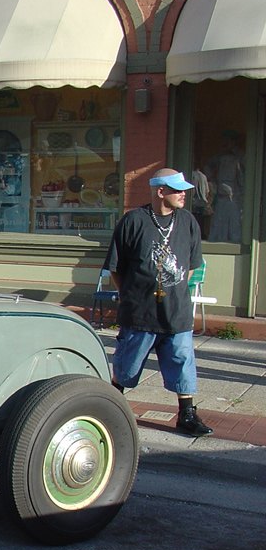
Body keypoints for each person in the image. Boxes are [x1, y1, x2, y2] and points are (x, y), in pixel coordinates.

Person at [103, 168, 212, 437]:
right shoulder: (133, 222)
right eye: (177, 189)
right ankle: (110, 409)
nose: (184, 193)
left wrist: (173, 291)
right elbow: (116, 268)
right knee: (126, 365)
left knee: (182, 361)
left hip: (176, 312)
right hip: (140, 312)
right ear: (160, 191)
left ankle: (186, 414)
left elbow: (189, 266)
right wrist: (130, 295)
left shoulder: (187, 222)